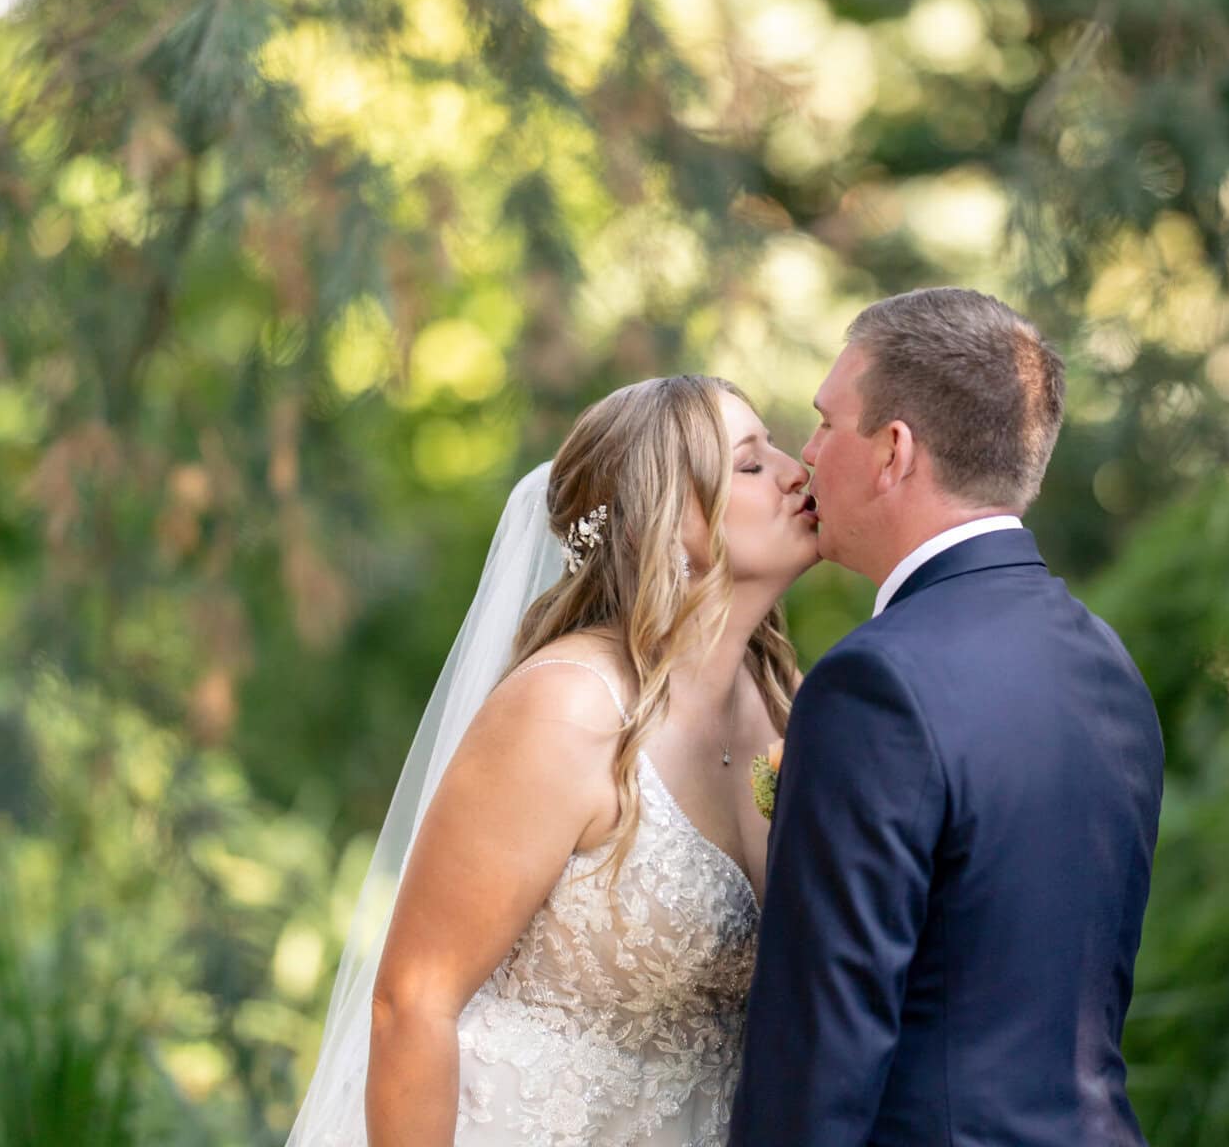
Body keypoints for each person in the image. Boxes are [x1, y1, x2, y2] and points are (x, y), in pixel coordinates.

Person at [286, 375, 818, 1147]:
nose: (795, 468)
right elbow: (412, 1001)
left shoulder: (788, 707)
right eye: (748, 463)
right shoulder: (570, 707)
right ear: (664, 526)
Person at [729, 287, 1166, 1146]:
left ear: (893, 451)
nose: (806, 455)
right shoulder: (1103, 661)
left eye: (824, 423)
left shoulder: (873, 685)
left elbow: (821, 1047)